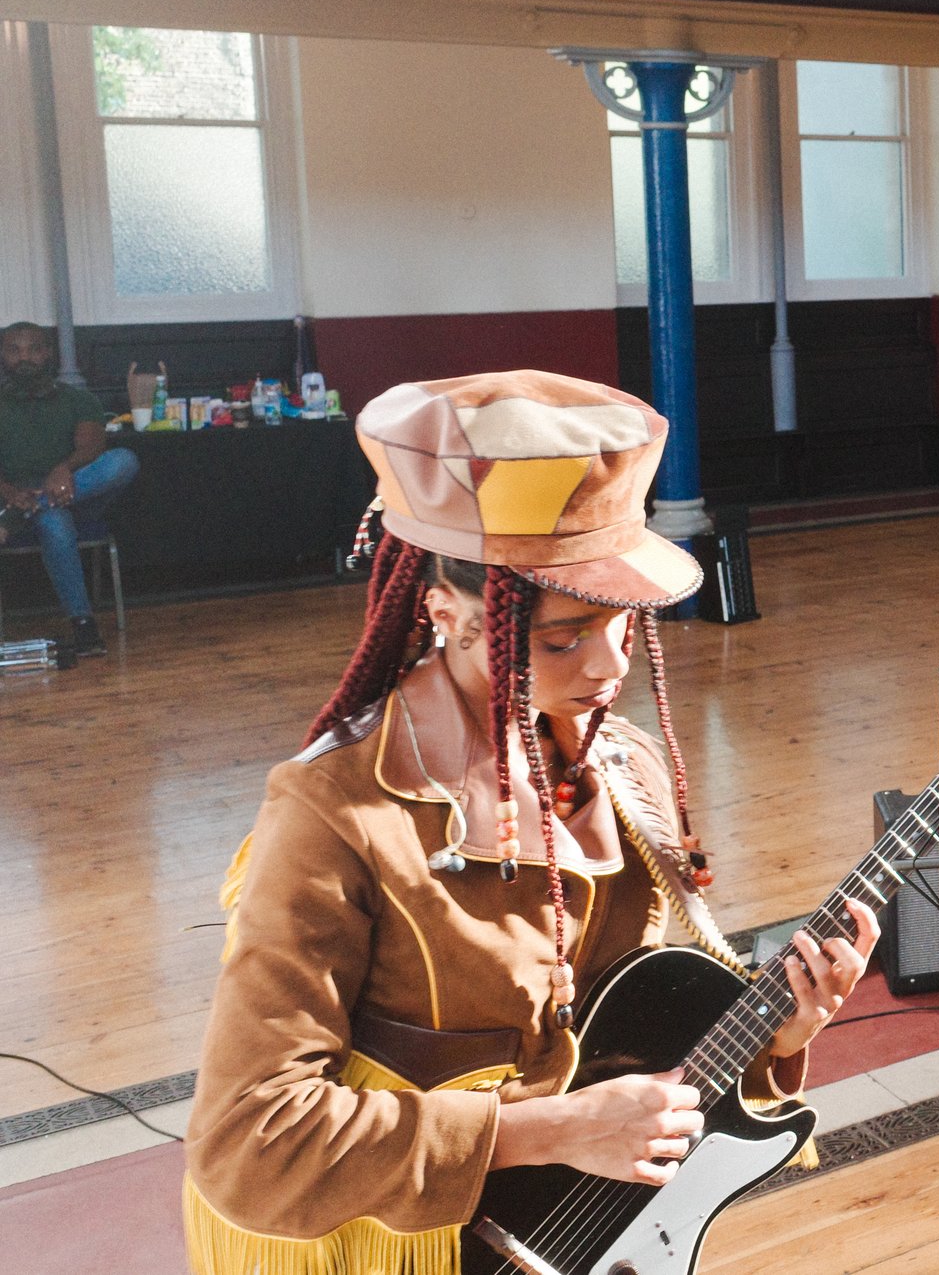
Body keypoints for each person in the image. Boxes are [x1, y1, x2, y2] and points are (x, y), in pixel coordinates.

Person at [183, 370, 879, 1275]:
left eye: (625, 624)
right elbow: (250, 1144)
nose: (609, 665)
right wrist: (555, 1128)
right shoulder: (333, 812)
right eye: (563, 638)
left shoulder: (621, 766)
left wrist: (779, 1038)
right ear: (449, 614)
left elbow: (640, 1040)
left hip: (577, 1238)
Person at [0, 322, 137, 656]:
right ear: (3, 356)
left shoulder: (77, 398)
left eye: (33, 349)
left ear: (48, 353)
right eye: (15, 350)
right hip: (14, 495)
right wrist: (7, 492)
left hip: (76, 490)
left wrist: (63, 469)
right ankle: (84, 626)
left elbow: (92, 447)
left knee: (123, 460)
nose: (25, 358)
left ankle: (29, 509)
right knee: (54, 522)